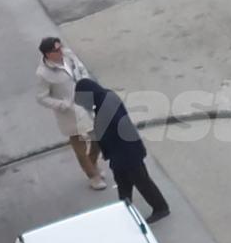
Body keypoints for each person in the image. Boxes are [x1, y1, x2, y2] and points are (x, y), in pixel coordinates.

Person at [74, 78, 171, 223]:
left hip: (126, 152)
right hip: (122, 152)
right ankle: (125, 208)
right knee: (123, 182)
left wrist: (99, 132)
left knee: (142, 181)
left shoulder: (104, 107)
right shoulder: (106, 96)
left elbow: (110, 128)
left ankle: (161, 207)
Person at [35, 37, 106, 190]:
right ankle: (93, 176)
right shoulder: (43, 74)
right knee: (79, 145)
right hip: (69, 113)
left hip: (86, 104)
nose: (61, 51)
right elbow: (41, 97)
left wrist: (86, 83)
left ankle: (92, 164)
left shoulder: (69, 56)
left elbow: (81, 69)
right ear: (48, 54)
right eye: (56, 50)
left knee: (98, 139)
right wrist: (62, 104)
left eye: (60, 47)